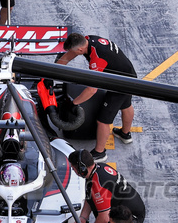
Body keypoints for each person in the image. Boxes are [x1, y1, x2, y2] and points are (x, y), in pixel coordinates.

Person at [55, 33, 137, 162]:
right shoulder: (87, 40)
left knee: (103, 120)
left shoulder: (97, 59)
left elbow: (91, 90)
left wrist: (73, 103)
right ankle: (125, 134)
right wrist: (54, 70)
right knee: (125, 105)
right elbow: (71, 54)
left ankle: (100, 153)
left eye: (75, 51)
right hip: (128, 75)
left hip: (121, 84)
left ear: (80, 50)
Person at [69, 148, 146, 223]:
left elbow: (103, 219)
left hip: (128, 218)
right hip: (122, 210)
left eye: (74, 168)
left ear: (82, 168)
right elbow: (90, 198)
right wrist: (83, 218)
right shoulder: (96, 171)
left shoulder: (99, 184)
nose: (73, 171)